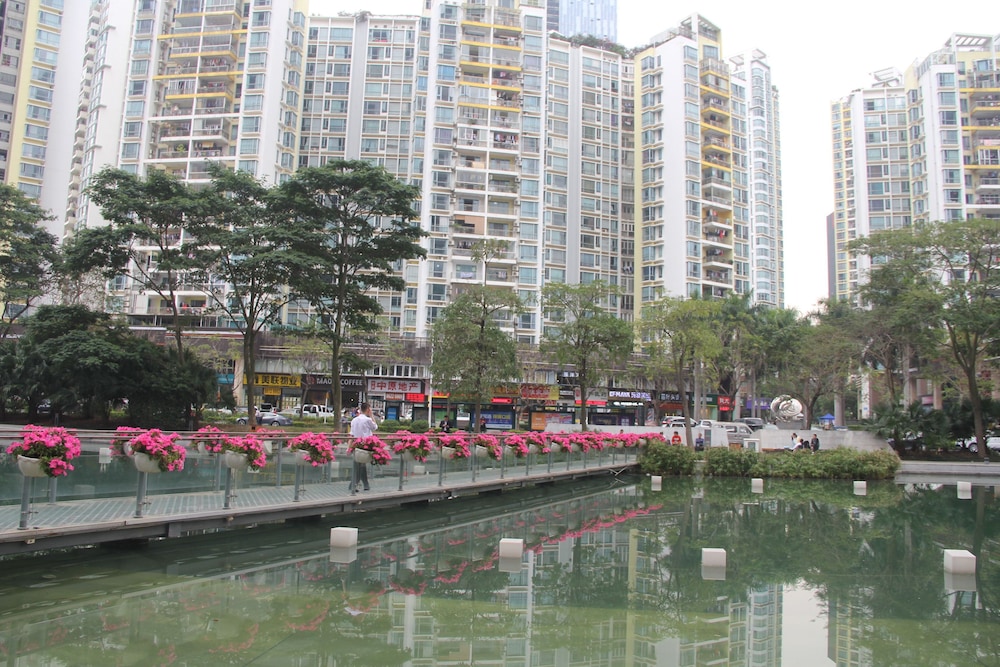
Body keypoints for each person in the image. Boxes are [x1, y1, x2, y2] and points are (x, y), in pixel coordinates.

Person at [349, 402, 378, 493]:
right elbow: (375, 427)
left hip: (356, 444)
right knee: (360, 465)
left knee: (359, 464)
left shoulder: (354, 420)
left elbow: (351, 434)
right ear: (368, 409)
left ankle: (363, 484)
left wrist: (349, 446)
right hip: (365, 444)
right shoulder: (367, 420)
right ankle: (355, 484)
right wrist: (372, 415)